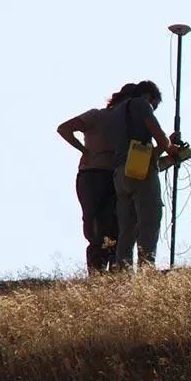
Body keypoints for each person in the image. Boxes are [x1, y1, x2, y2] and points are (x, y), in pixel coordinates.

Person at [56, 83, 137, 275]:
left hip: (112, 174)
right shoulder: (98, 116)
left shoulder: (125, 123)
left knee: (114, 224)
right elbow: (64, 129)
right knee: (98, 225)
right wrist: (84, 150)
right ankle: (98, 272)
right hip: (94, 175)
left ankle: (109, 272)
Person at [104, 80, 180, 272]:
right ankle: (147, 268)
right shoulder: (140, 104)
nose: (153, 109)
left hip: (120, 173)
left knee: (127, 228)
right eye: (154, 105)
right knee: (149, 219)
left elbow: (137, 151)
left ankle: (123, 271)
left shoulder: (114, 113)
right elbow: (158, 135)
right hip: (141, 171)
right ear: (149, 96)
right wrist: (171, 147)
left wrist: (165, 152)